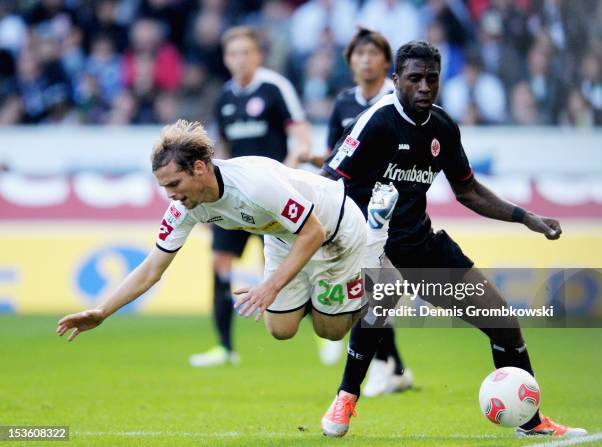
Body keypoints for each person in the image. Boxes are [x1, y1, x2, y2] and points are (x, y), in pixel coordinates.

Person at [319, 41, 587, 439]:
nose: (425, 87)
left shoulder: (442, 127)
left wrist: (526, 217)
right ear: (396, 81)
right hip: (373, 243)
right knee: (383, 297)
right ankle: (346, 397)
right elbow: (328, 182)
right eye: (414, 79)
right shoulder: (375, 122)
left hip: (423, 247)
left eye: (432, 78)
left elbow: (468, 191)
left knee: (504, 323)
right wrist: (335, 243)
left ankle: (530, 422)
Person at [57, 120, 388, 352]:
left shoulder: (254, 184)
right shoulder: (185, 206)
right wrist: (102, 311)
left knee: (329, 332)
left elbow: (313, 231)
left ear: (199, 168)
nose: (170, 194)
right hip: (283, 235)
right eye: (164, 187)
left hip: (336, 229)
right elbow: (151, 269)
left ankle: (372, 275)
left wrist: (270, 287)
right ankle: (322, 294)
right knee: (280, 330)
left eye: (174, 184)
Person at [189, 26, 312, 368]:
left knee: (278, 270)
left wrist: (287, 174)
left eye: (246, 52)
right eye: (233, 53)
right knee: (219, 262)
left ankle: (324, 325)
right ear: (226, 58)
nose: (239, 59)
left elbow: (300, 134)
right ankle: (224, 346)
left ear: (258, 55)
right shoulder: (225, 97)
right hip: (232, 198)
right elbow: (222, 150)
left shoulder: (275, 88)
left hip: (271, 196)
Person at [309, 27, 412, 394]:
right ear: (350, 61)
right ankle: (393, 366)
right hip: (350, 204)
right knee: (371, 286)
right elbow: (337, 154)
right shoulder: (343, 103)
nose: (365, 59)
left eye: (373, 53)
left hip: (386, 204)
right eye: (359, 54)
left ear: (387, 61)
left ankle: (387, 366)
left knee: (377, 285)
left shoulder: (399, 99)